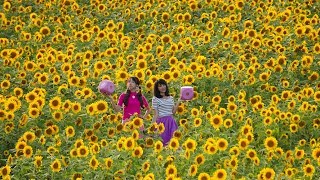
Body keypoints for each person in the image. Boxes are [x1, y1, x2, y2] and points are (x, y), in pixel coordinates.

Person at [152, 79, 181, 146]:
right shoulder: (155, 99)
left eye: (164, 85)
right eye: (160, 86)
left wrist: (179, 101)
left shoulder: (170, 98)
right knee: (163, 142)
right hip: (161, 123)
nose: (162, 87)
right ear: (157, 88)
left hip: (171, 121)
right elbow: (155, 114)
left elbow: (173, 112)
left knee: (173, 142)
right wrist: (152, 127)